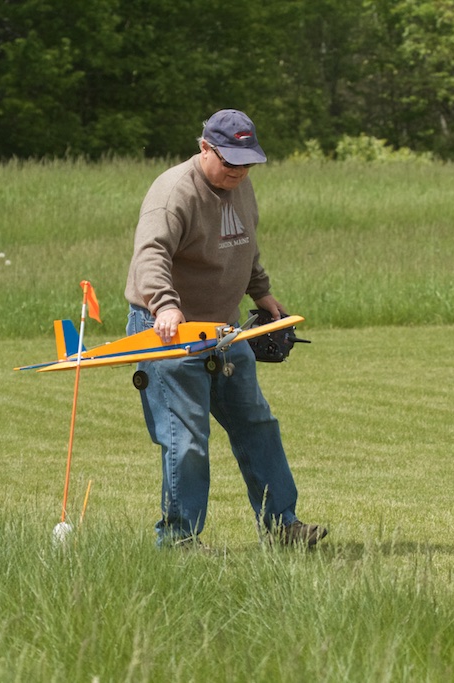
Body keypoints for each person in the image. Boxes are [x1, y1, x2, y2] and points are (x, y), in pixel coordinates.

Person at [124, 108, 327, 549]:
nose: (240, 169)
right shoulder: (174, 191)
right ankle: (179, 541)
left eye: (247, 160)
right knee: (187, 438)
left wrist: (262, 292)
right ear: (204, 148)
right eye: (231, 160)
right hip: (169, 333)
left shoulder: (240, 185)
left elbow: (244, 243)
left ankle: (282, 527)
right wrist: (165, 306)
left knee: (257, 423)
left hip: (223, 329)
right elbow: (151, 254)